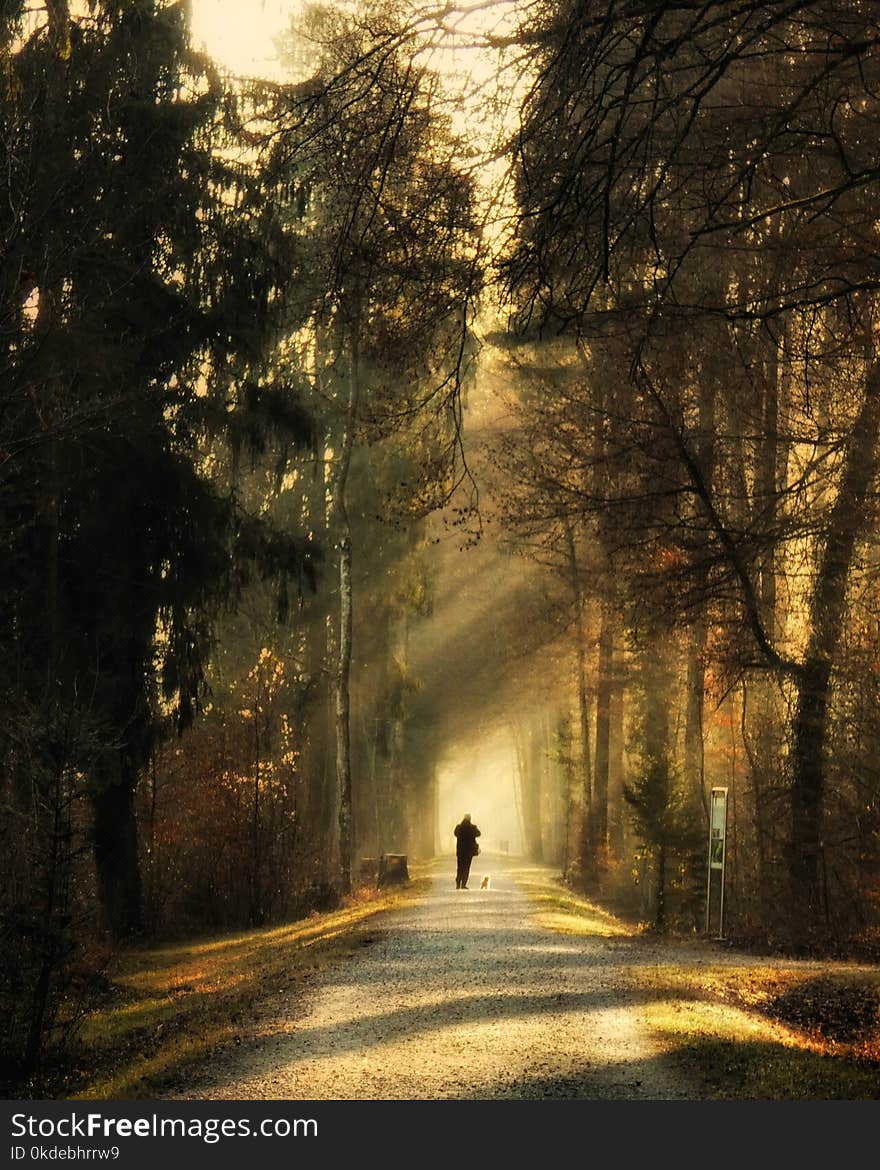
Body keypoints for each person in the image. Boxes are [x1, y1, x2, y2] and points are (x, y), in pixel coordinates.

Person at [453, 813, 481, 889]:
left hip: (460, 851)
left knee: (460, 867)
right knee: (466, 868)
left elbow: (455, 834)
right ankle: (463, 884)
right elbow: (479, 834)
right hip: (469, 852)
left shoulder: (459, 827)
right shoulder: (473, 827)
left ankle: (458, 884)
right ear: (470, 819)